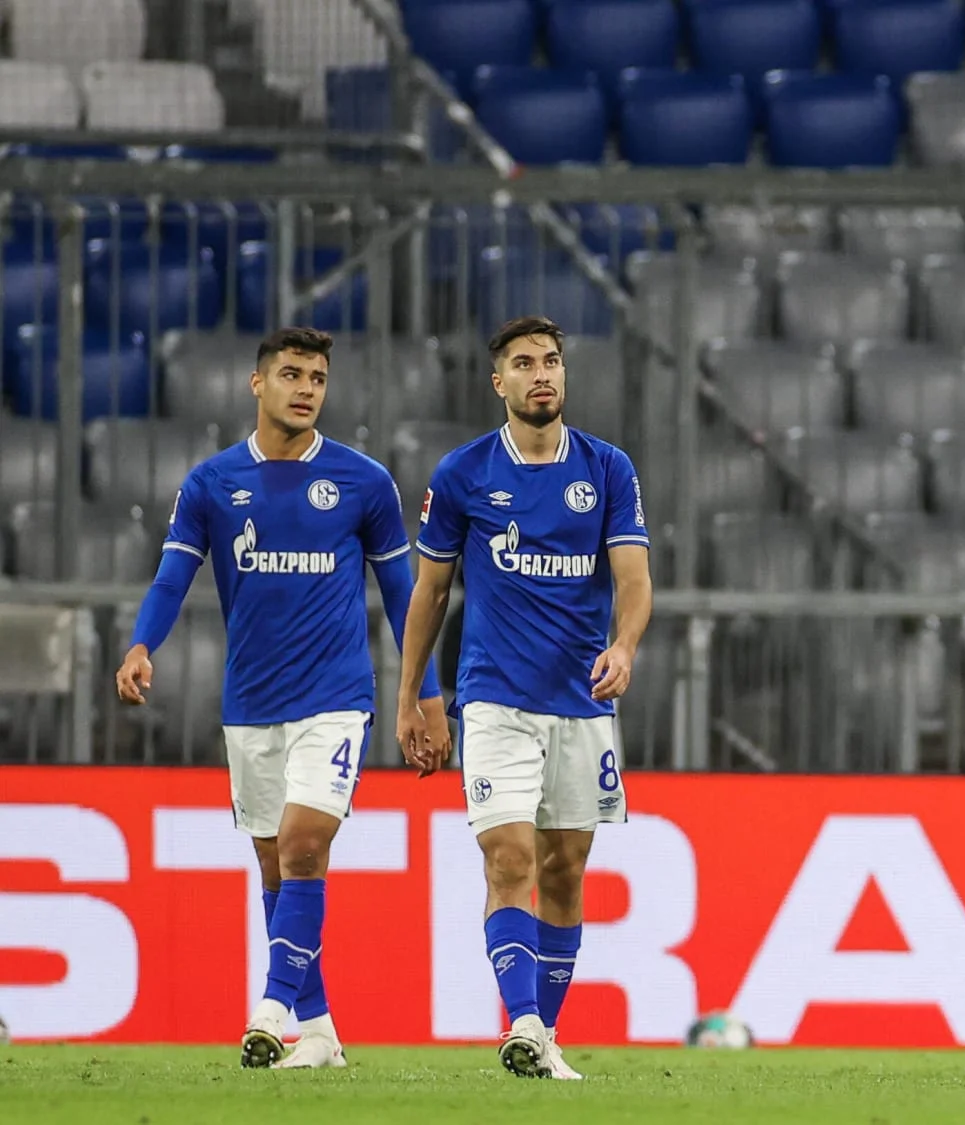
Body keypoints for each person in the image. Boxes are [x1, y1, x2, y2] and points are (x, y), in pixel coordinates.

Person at [114, 327, 447, 1069]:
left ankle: (270, 1009)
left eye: (318, 378)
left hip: (336, 697)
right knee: (277, 867)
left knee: (302, 844)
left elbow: (404, 593)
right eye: (292, 374)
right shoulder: (211, 483)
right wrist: (141, 644)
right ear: (257, 383)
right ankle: (319, 1030)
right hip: (251, 703)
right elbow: (173, 576)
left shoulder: (363, 481)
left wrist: (424, 694)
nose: (306, 389)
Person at [397, 315, 653, 1080]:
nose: (541, 373)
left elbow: (634, 579)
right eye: (524, 363)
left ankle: (546, 1034)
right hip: (495, 699)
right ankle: (526, 1022)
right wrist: (412, 696)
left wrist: (624, 645)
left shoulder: (607, 469)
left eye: (551, 360)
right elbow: (429, 592)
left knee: (565, 867)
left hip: (581, 702)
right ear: (498, 381)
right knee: (510, 856)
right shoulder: (464, 473)